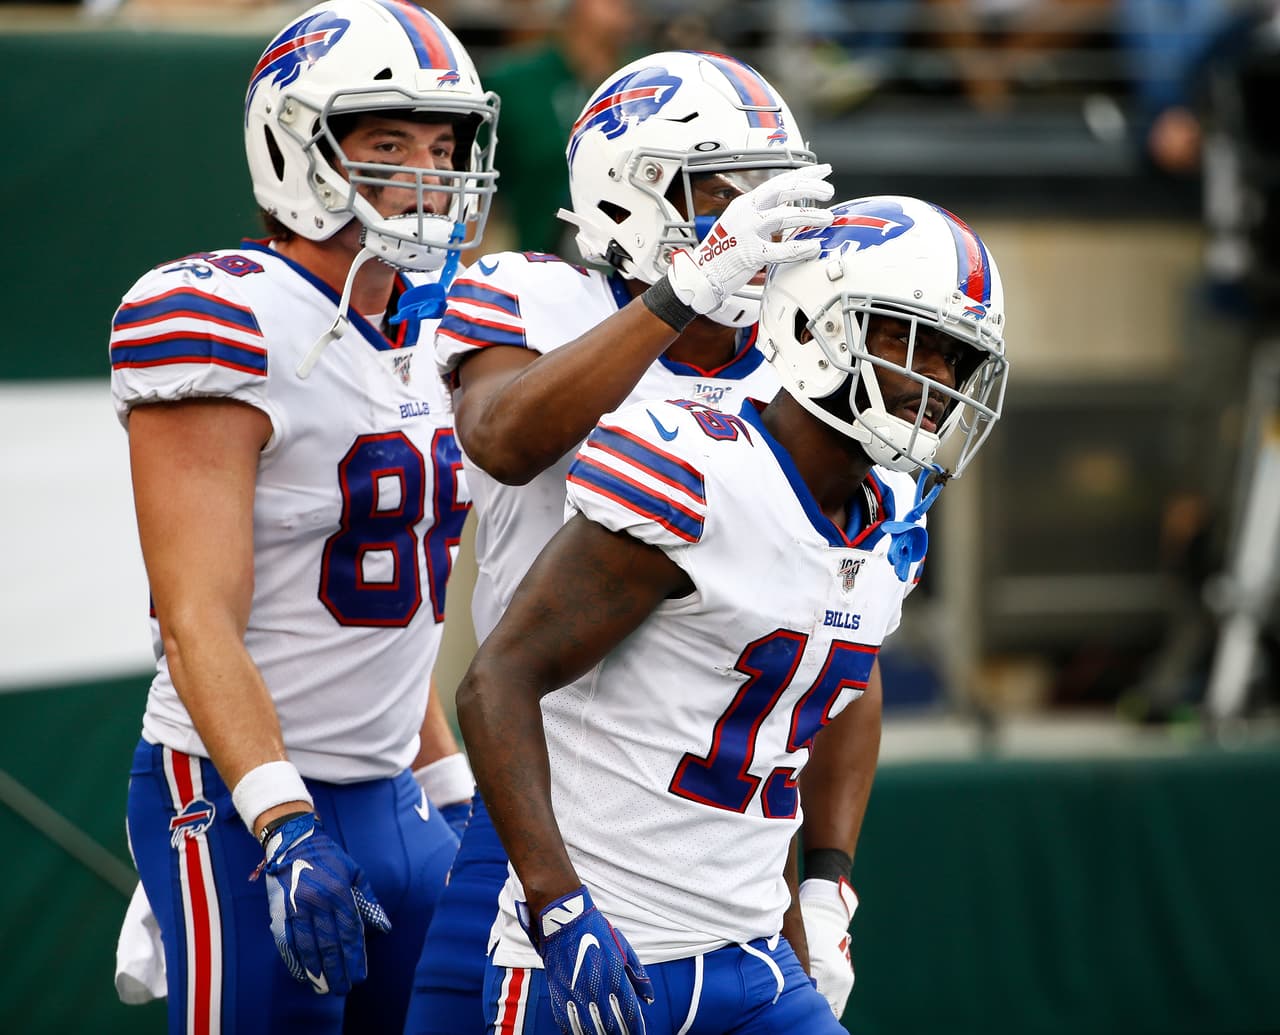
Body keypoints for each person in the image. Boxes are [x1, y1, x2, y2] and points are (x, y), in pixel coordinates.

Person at [456, 195, 1010, 1033]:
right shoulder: (695, 467)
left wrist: (824, 890)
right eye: (905, 338)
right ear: (813, 325)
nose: (934, 381)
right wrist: (558, 903)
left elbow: (839, 693)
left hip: (755, 961)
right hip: (605, 955)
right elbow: (494, 681)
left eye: (954, 356)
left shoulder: (891, 511)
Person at [404, 49, 872, 1034]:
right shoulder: (533, 295)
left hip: (714, 826)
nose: (753, 221)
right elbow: (503, 440)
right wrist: (682, 293)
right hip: (532, 798)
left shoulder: (803, 371)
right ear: (627, 194)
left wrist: (826, 882)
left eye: (765, 191)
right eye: (721, 192)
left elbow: (844, 639)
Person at [107, 0, 498, 1030]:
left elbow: (380, 610)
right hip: (241, 798)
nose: (428, 171)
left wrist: (448, 785)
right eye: (387, 141)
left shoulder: (427, 325)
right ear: (297, 143)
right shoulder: (222, 315)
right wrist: (278, 817)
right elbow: (195, 620)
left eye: (443, 143)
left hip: (391, 794)